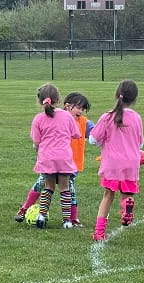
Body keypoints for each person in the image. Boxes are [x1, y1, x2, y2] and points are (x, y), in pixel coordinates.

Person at [14, 92, 93, 227]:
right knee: (43, 186)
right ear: (67, 106)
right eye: (78, 107)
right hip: (63, 161)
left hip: (66, 163)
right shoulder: (60, 117)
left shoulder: (84, 122)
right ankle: (25, 209)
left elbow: (95, 133)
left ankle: (72, 218)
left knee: (67, 190)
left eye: (83, 109)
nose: (81, 111)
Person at [89, 80, 144, 241]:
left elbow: (93, 139)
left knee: (108, 196)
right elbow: (140, 143)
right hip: (131, 163)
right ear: (134, 99)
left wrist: (104, 141)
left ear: (117, 95)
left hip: (112, 164)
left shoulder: (107, 116)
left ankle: (99, 232)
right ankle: (127, 205)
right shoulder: (136, 118)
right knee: (126, 193)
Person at [30, 84, 81, 229]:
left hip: (47, 158)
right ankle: (67, 221)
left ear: (40, 101)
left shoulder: (38, 119)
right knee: (65, 188)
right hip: (64, 157)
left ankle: (41, 215)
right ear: (58, 100)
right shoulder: (66, 116)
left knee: (48, 187)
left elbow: (36, 142)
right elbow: (76, 134)